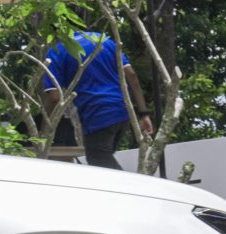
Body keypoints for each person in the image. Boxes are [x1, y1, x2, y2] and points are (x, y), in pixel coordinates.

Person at [41, 30, 151, 167]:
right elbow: (132, 76)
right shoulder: (103, 41)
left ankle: (130, 182)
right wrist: (144, 114)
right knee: (102, 160)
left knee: (98, 159)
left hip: (97, 115)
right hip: (122, 113)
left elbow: (54, 98)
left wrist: (43, 132)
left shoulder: (58, 50)